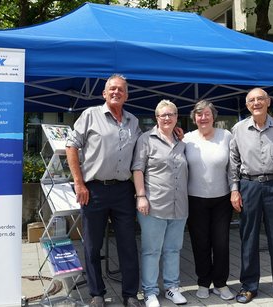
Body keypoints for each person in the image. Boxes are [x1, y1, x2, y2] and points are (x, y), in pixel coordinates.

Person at [66, 74, 142, 307]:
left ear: (126, 95)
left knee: (128, 244)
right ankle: (96, 293)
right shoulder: (90, 116)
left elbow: (145, 146)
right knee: (92, 244)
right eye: (112, 89)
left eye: (120, 89)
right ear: (104, 93)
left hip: (123, 191)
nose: (116, 92)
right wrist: (79, 183)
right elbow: (71, 146)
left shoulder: (133, 121)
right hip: (94, 190)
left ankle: (130, 294)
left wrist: (174, 131)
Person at [229, 88, 273, 306]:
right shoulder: (238, 129)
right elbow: (234, 164)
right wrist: (234, 189)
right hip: (249, 186)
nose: (256, 102)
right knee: (248, 239)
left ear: (268, 102)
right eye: (251, 100)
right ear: (247, 105)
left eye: (260, 99)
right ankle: (249, 286)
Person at [132, 100, 188, 307]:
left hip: (180, 205)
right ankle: (149, 291)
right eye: (163, 115)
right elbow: (138, 169)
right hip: (153, 205)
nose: (167, 118)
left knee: (173, 249)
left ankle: (172, 288)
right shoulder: (146, 139)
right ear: (156, 118)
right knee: (152, 250)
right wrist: (141, 196)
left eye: (171, 114)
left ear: (176, 117)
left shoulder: (182, 142)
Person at [182, 100, 235, 301]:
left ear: (213, 116)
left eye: (207, 114)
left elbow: (233, 167)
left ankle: (220, 283)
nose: (203, 118)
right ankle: (203, 282)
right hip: (195, 200)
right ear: (194, 118)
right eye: (199, 114)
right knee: (200, 243)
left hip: (222, 199)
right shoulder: (186, 139)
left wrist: (234, 190)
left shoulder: (227, 136)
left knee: (221, 243)